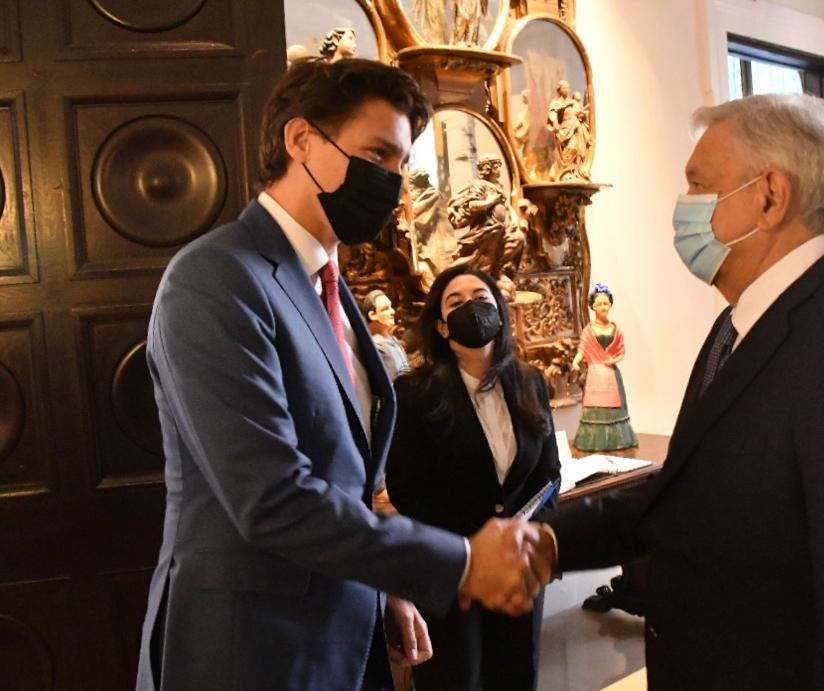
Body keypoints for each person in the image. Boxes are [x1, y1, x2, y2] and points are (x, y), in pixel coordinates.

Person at [135, 58, 547, 691]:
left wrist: (386, 589)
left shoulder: (329, 284)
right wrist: (461, 562)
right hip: (252, 646)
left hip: (343, 631)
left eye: (402, 164)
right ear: (302, 140)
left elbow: (350, 475)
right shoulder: (216, 278)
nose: (394, 182)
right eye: (378, 154)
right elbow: (271, 498)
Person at [534, 93, 824, 689]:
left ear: (770, 196)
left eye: (699, 184)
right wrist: (551, 540)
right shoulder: (739, 324)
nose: (684, 205)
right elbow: (693, 489)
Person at [386, 265, 561, 691]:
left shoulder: (531, 382)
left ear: (499, 312)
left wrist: (525, 541)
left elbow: (549, 477)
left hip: (518, 568)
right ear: (442, 327)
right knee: (456, 679)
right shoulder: (414, 393)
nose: (472, 307)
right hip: (453, 571)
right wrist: (476, 549)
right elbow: (409, 491)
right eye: (456, 302)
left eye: (481, 299)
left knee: (517, 676)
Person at [571, 283, 638, 451]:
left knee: (614, 408)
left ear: (610, 304)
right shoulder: (588, 331)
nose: (603, 307)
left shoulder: (616, 329)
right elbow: (582, 349)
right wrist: (576, 361)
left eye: (606, 303)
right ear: (593, 306)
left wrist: (614, 359)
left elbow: (621, 352)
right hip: (595, 375)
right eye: (599, 304)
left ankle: (618, 440)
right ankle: (593, 441)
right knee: (596, 408)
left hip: (611, 374)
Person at [362, 289, 410, 382]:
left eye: (391, 307)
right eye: (385, 309)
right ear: (373, 315)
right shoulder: (375, 345)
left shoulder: (393, 340)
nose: (393, 311)